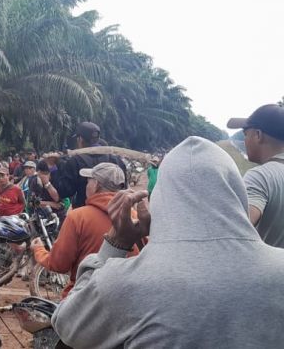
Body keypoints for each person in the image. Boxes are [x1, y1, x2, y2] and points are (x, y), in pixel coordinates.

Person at [52, 136, 284, 348]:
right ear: (237, 191)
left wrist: (115, 243)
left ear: (161, 196)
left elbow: (67, 326)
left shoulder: (124, 282)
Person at [32, 162, 133, 299]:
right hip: (124, 297)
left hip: (83, 298)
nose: (86, 185)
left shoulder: (78, 217)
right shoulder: (135, 216)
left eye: (88, 181)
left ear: (96, 185)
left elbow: (59, 264)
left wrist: (39, 250)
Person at [227, 104, 284, 248]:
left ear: (258, 135)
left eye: (246, 134)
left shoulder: (260, 177)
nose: (245, 140)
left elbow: (234, 232)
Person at [55, 121, 127, 207]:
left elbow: (64, 192)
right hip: (113, 211)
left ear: (80, 139)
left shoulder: (75, 161)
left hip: (84, 213)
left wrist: (55, 166)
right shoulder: (116, 160)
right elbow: (123, 187)